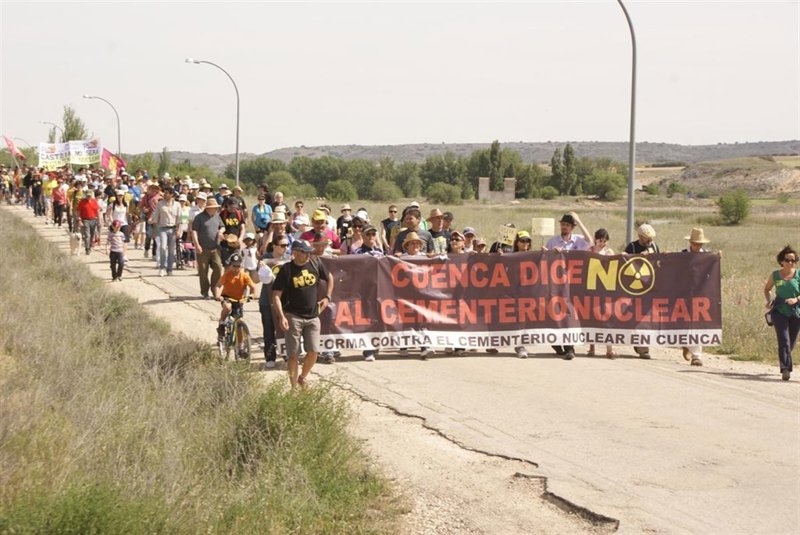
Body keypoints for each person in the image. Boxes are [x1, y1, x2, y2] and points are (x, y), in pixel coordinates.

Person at [272, 239, 334, 389]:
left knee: (314, 351)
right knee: (293, 354)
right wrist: (281, 316)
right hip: (293, 316)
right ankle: (293, 388)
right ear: (295, 253)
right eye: (304, 252)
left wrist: (327, 297)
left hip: (313, 316)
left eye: (308, 252)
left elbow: (330, 277)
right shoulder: (286, 270)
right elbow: (276, 296)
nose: (308, 254)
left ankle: (302, 377)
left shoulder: (315, 263)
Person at [763, 245, 800, 381]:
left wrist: (796, 299)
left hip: (796, 311)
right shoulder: (775, 275)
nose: (790, 263)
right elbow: (767, 289)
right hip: (779, 311)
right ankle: (785, 368)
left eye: (793, 260)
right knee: (783, 339)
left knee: (791, 341)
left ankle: (785, 356)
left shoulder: (799, 274)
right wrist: (769, 300)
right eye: (787, 260)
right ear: (781, 261)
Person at [624, 223, 660, 359]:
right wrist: (638, 256)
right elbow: (624, 262)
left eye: (651, 238)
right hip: (634, 286)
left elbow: (659, 263)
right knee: (635, 315)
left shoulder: (654, 246)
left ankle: (642, 347)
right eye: (647, 238)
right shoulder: (632, 247)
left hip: (649, 286)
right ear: (640, 236)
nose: (650, 240)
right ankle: (638, 343)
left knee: (645, 317)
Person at [213, 253, 258, 356]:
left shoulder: (244, 276)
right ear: (230, 266)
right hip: (227, 298)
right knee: (227, 307)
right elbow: (218, 285)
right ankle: (221, 324)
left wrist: (252, 295)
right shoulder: (227, 275)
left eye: (238, 266)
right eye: (234, 266)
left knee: (239, 323)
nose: (236, 269)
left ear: (241, 266)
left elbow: (253, 287)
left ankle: (241, 347)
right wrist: (218, 295)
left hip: (239, 300)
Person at [398, 232, 434, 359]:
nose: (415, 245)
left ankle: (424, 347)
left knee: (422, 320)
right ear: (407, 246)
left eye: (417, 243)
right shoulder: (401, 258)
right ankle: (403, 346)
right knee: (405, 320)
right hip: (405, 294)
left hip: (421, 294)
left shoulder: (425, 258)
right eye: (412, 243)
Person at [680, 228, 711, 366]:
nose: (698, 246)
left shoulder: (707, 256)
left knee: (698, 323)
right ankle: (686, 343)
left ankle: (696, 355)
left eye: (700, 244)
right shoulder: (682, 255)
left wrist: (717, 258)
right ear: (690, 243)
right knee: (685, 322)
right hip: (684, 293)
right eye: (695, 244)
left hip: (700, 294)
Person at [258, 237, 291, 368]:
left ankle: (287, 355)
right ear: (274, 246)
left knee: (285, 327)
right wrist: (261, 269)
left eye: (287, 245)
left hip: (285, 299)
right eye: (283, 245)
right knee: (269, 328)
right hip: (267, 299)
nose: (285, 248)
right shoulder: (265, 259)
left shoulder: (288, 259)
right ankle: (270, 356)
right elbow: (255, 279)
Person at [356, 225, 384, 361]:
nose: (371, 237)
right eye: (368, 234)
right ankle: (368, 350)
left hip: (380, 289)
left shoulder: (380, 251)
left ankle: (375, 344)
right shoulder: (358, 252)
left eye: (373, 234)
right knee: (368, 320)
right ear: (363, 236)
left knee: (379, 319)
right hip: (366, 290)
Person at [587, 228, 616, 359]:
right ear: (595, 239)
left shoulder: (609, 252)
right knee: (592, 317)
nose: (602, 243)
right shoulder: (589, 251)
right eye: (600, 240)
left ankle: (609, 349)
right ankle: (591, 347)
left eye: (605, 241)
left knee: (607, 317)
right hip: (592, 288)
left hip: (606, 289)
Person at [192, 197, 224, 299]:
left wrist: (221, 231)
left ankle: (215, 289)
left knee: (218, 268)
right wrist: (197, 245)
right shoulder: (199, 217)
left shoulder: (217, 216)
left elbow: (222, 226)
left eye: (216, 208)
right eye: (213, 208)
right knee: (203, 271)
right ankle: (204, 292)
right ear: (208, 208)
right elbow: (194, 231)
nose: (215, 209)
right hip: (203, 248)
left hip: (215, 248)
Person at [153, 187, 182, 276]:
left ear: (171, 194)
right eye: (164, 193)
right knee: (162, 247)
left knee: (171, 250)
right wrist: (154, 231)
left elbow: (179, 219)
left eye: (167, 193)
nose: (164, 194)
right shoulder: (160, 204)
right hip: (163, 228)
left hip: (173, 229)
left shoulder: (177, 205)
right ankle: (162, 267)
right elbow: (156, 218)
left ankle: (169, 269)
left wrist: (179, 230)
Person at [77, 190, 101, 255]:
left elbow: (97, 211)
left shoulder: (94, 201)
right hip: (85, 220)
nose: (88, 197)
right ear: (86, 195)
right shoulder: (82, 202)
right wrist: (79, 220)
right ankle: (87, 248)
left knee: (92, 235)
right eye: (87, 195)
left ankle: (90, 246)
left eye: (90, 196)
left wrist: (99, 221)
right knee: (87, 235)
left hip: (93, 220)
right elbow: (78, 211)